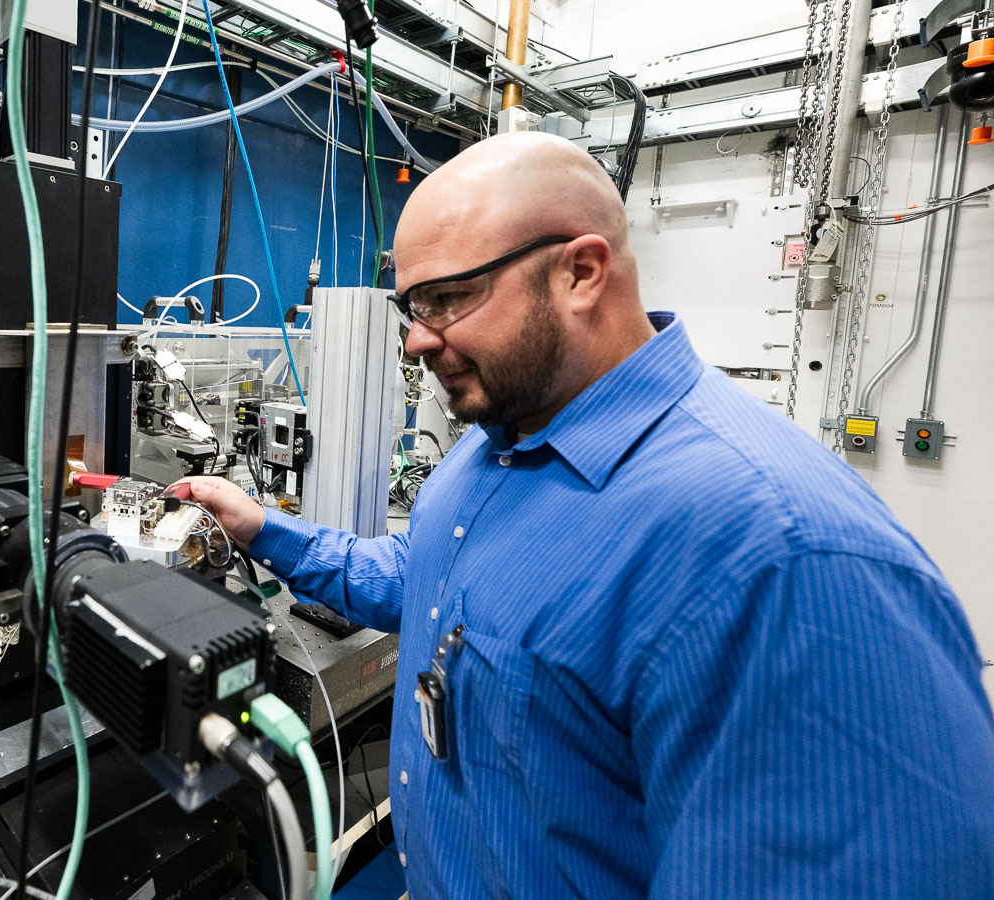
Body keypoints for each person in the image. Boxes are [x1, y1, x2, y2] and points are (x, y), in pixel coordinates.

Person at [182, 132, 994, 898]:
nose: (416, 342)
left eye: (446, 299)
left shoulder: (785, 556)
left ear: (581, 273)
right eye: (409, 308)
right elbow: (423, 580)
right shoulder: (495, 441)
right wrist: (262, 529)